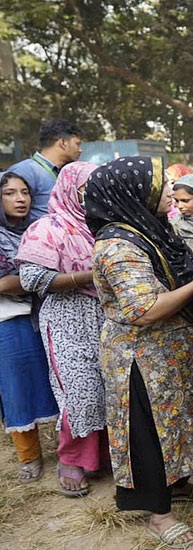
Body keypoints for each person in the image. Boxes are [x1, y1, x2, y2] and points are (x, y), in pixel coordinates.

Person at [86, 157, 193, 550]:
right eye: (161, 185)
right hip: (139, 358)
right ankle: (159, 514)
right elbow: (143, 310)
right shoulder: (118, 244)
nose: (170, 192)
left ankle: (177, 484)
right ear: (133, 191)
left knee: (174, 425)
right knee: (148, 432)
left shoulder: (149, 228)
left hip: (170, 352)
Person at [15, 161, 109, 497]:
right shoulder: (47, 228)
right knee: (79, 392)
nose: (93, 194)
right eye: (87, 187)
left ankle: (105, 457)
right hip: (67, 319)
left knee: (109, 389)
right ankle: (71, 459)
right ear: (71, 188)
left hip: (106, 315)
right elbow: (32, 279)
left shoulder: (104, 224)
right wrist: (91, 276)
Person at [0, 171, 59, 484]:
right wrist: (37, 278)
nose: (20, 199)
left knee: (55, 380)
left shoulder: (35, 230)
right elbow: (9, 283)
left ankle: (68, 451)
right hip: (9, 321)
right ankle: (29, 456)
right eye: (10, 193)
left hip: (43, 315)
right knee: (16, 389)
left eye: (24, 192)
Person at [7, 119, 83, 216]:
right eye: (77, 144)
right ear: (63, 143)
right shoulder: (24, 171)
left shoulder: (65, 174)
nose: (80, 150)